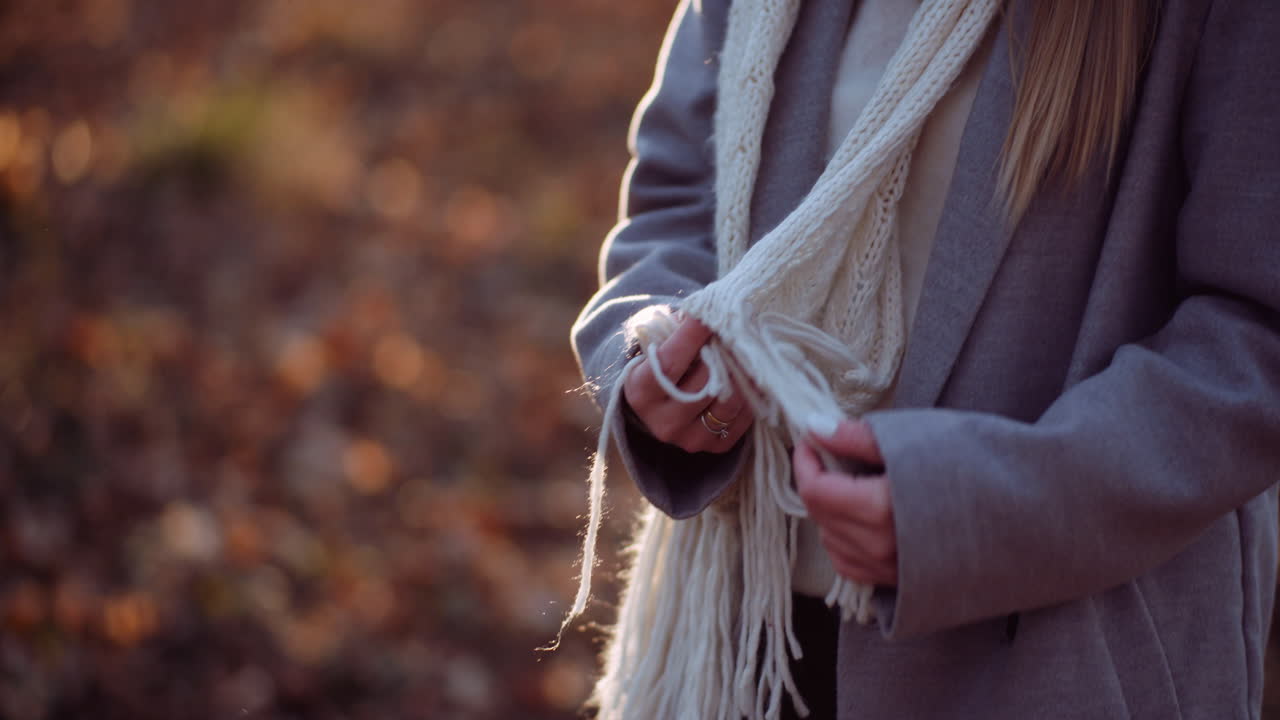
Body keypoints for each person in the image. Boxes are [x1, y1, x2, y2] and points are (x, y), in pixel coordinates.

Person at [570, 0, 1280, 717]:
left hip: (1058, 661)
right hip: (743, 645)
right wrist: (656, 355)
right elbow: (675, 194)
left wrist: (980, 510)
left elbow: (1254, 336)